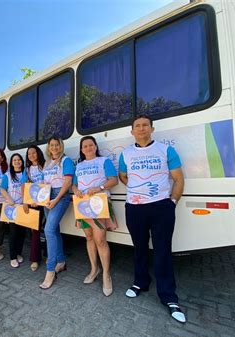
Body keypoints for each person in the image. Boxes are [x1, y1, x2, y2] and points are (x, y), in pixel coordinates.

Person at [118, 115, 186, 323]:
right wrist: (137, 188)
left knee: (162, 251)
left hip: (161, 207)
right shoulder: (126, 153)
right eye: (137, 126)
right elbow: (123, 175)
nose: (141, 129)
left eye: (145, 125)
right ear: (132, 131)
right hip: (135, 208)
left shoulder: (165, 150)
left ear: (152, 129)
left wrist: (171, 203)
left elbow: (178, 179)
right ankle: (140, 282)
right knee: (139, 248)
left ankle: (168, 296)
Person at [72, 136, 118, 296]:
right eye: (85, 146)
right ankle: (94, 269)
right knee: (89, 238)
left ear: (95, 146)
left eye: (91, 145)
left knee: (100, 240)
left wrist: (99, 187)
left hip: (99, 204)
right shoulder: (79, 165)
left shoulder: (104, 161)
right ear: (81, 149)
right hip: (83, 206)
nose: (88, 148)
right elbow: (74, 183)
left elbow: (114, 180)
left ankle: (106, 274)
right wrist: (75, 189)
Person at [39, 136, 75, 289]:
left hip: (60, 196)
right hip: (47, 197)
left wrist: (56, 199)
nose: (54, 147)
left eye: (56, 145)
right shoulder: (47, 163)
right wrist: (38, 198)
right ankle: (61, 261)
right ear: (48, 148)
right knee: (54, 230)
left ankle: (50, 270)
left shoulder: (66, 161)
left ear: (61, 147)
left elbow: (67, 182)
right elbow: (42, 183)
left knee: (48, 229)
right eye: (51, 145)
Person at [1, 153, 27, 268]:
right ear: (11, 163)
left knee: (22, 233)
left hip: (24, 207)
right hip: (12, 208)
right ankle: (12, 257)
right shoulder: (7, 175)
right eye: (14, 160)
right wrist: (9, 199)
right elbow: (2, 189)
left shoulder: (26, 173)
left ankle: (18, 253)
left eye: (19, 159)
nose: (17, 162)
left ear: (22, 161)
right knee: (13, 233)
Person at [22, 145, 47, 272]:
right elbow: (24, 186)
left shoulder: (45, 165)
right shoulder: (27, 170)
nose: (31, 155)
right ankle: (35, 259)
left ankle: (48, 255)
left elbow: (48, 183)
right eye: (29, 153)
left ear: (38, 153)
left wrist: (40, 200)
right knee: (35, 231)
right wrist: (25, 202)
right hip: (33, 204)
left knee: (48, 230)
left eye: (34, 153)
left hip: (47, 202)